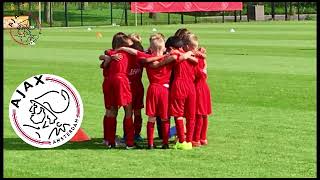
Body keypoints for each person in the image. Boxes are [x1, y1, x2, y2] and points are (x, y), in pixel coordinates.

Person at [99, 33, 135, 149]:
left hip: (109, 82)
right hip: (121, 81)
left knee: (111, 110)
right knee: (128, 110)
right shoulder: (127, 53)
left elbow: (103, 58)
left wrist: (107, 56)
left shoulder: (111, 54)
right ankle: (129, 142)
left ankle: (109, 141)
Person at [169, 34, 199, 150]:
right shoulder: (189, 54)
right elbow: (195, 60)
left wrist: (185, 54)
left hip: (179, 85)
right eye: (194, 47)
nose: (195, 49)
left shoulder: (177, 52)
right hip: (190, 86)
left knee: (179, 114)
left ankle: (182, 141)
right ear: (187, 46)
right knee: (190, 115)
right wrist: (187, 54)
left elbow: (177, 58)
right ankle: (189, 141)